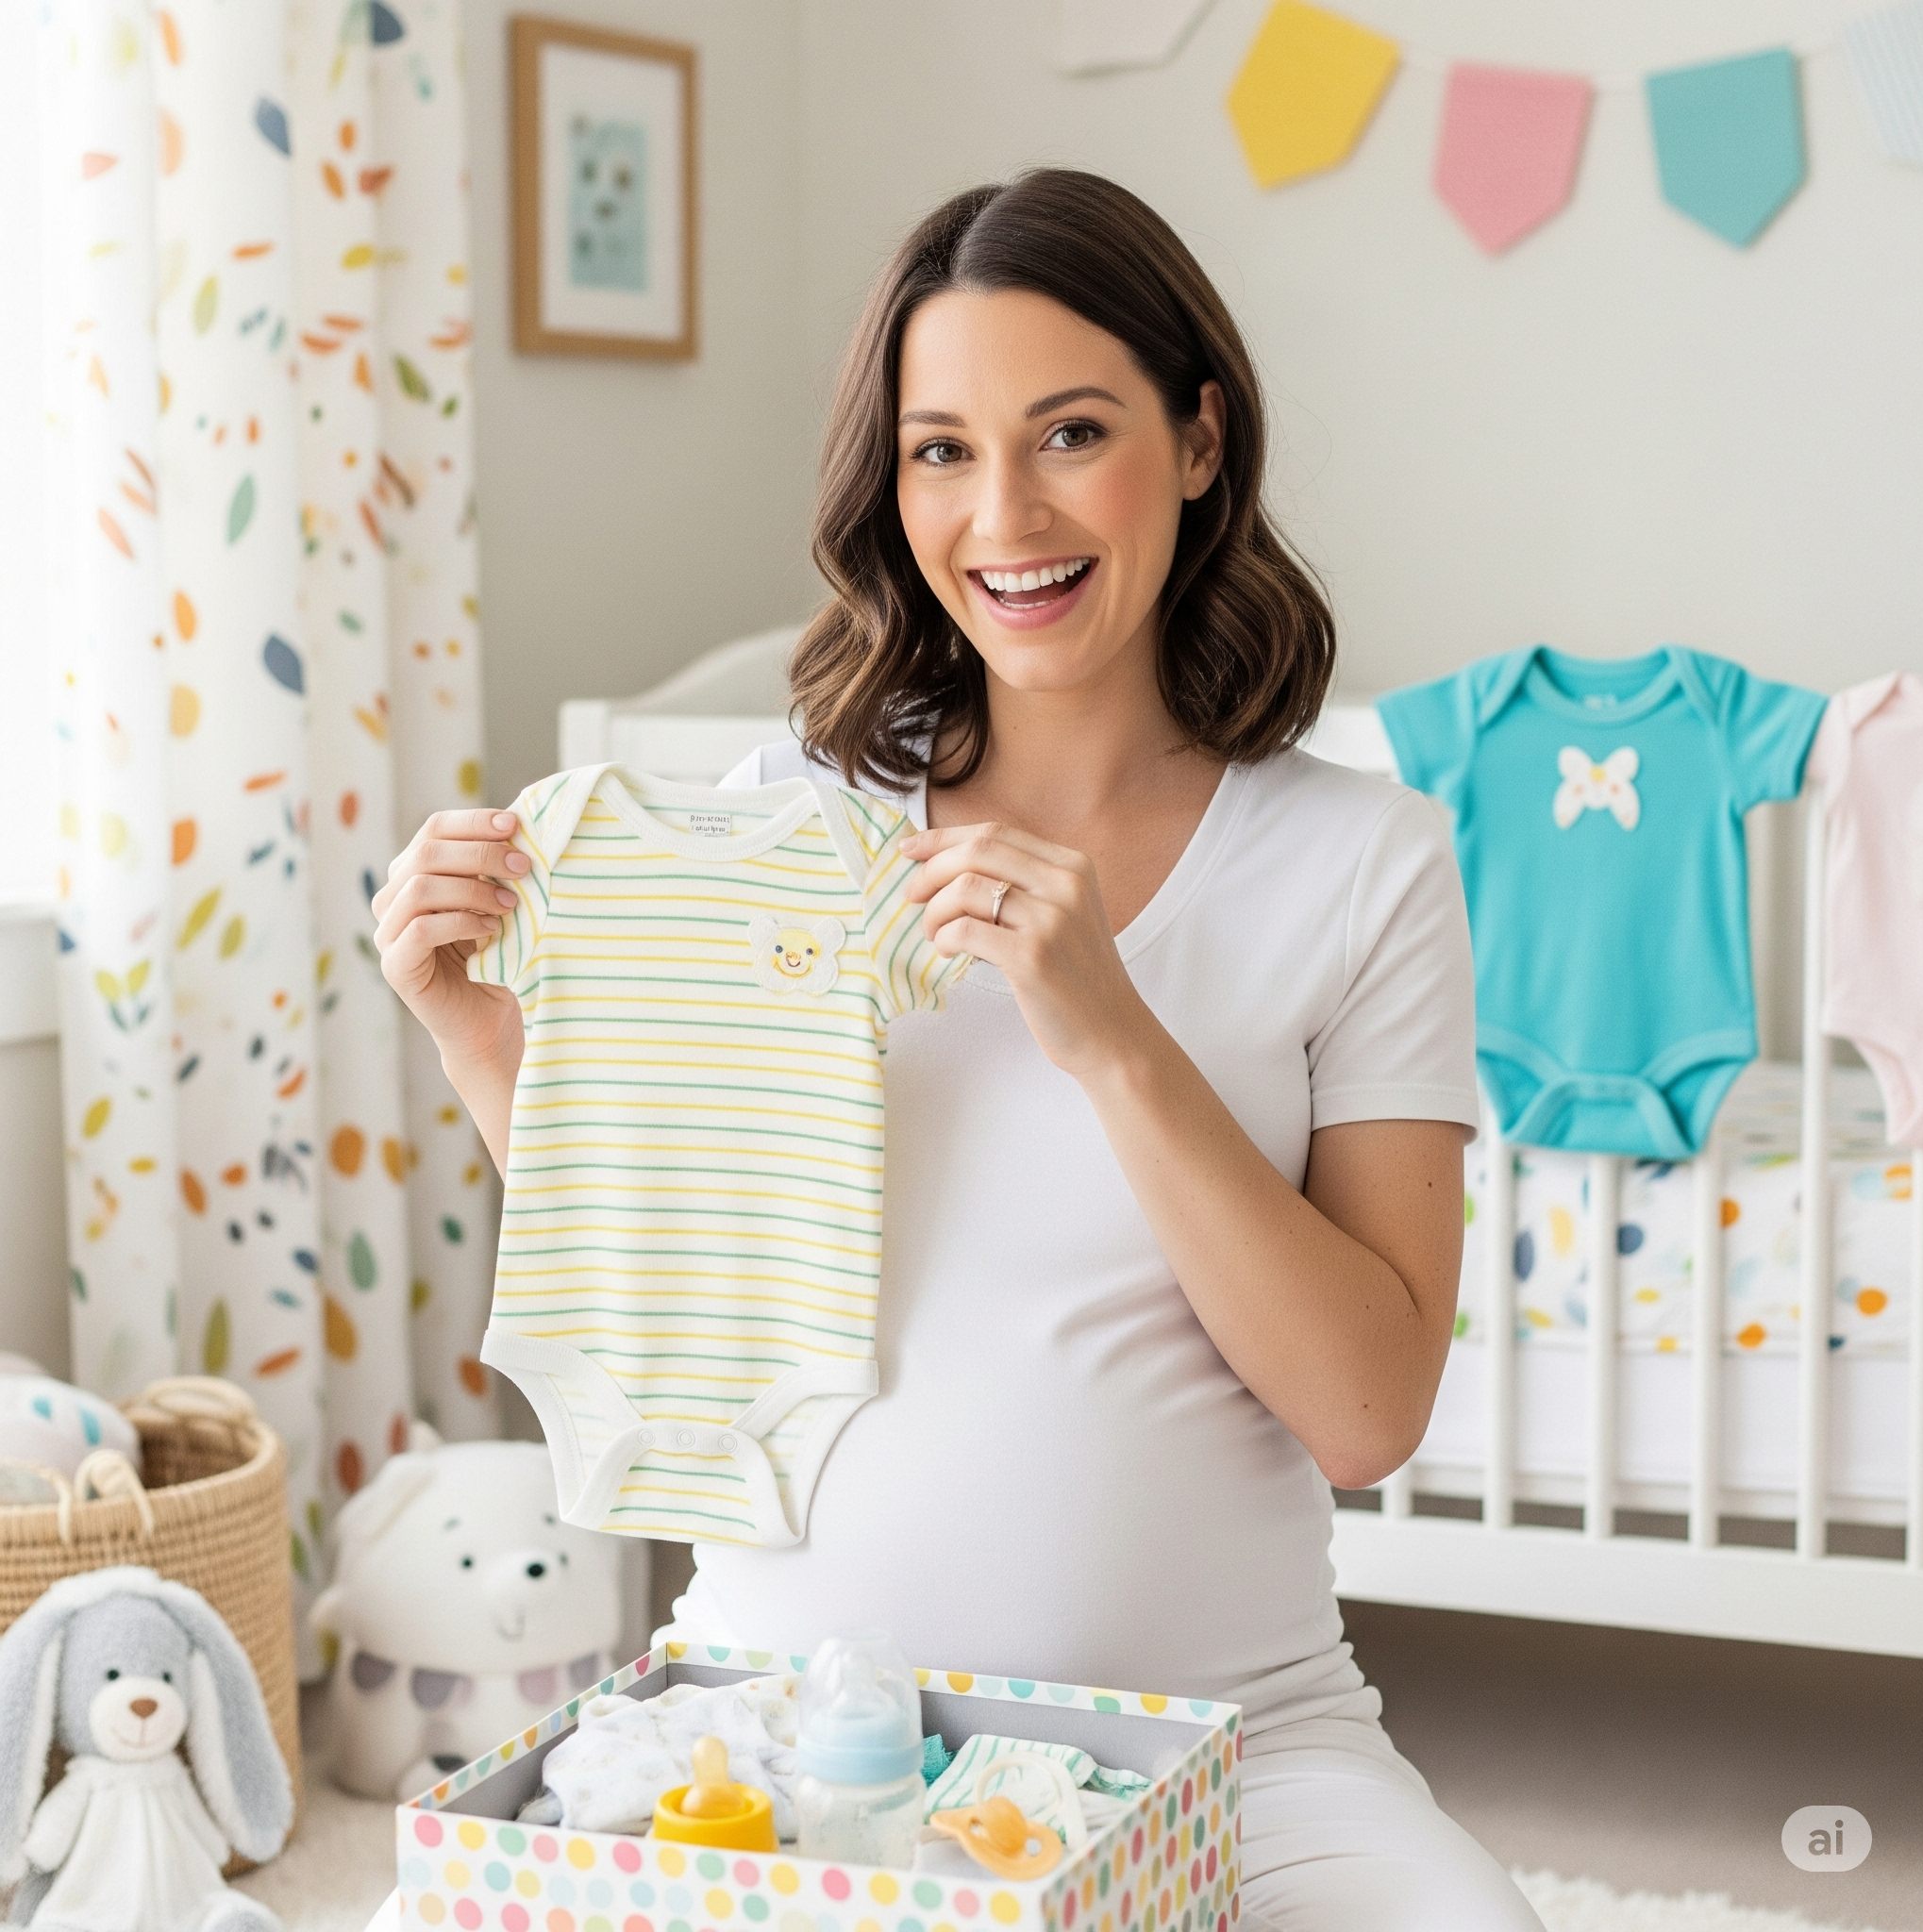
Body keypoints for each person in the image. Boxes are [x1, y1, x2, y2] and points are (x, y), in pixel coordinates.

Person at [373, 167, 1544, 1930]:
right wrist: (475, 1031)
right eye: (940, 450)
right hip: (772, 1719)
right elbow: (675, 1291)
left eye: (1070, 431)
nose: (1004, 511)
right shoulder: (789, 825)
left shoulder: (1364, 862)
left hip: (1240, 1750)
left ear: (1202, 438)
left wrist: (1116, 1039)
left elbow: (1368, 1411)